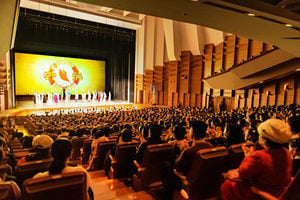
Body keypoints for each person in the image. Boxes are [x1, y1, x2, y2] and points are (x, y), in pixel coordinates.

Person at [221, 119, 292, 200]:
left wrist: (248, 157)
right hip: (280, 192)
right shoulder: (286, 152)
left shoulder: (259, 156)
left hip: (261, 193)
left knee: (228, 184)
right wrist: (250, 156)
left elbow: (243, 174)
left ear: (264, 139)